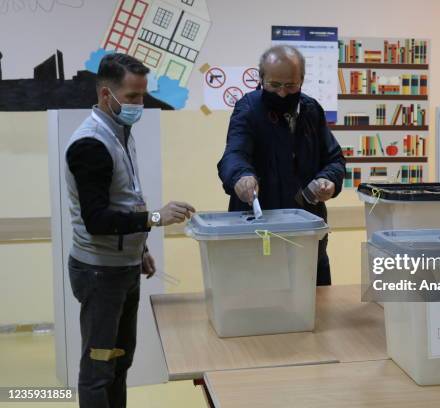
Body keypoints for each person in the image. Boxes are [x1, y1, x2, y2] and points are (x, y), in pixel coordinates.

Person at [65, 53, 195, 408]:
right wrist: (155, 218)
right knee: (98, 369)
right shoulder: (90, 143)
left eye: (143, 95)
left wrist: (140, 249)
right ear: (107, 95)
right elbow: (97, 220)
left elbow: (124, 200)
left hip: (122, 265)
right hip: (99, 272)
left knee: (119, 361)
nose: (141, 104)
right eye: (133, 96)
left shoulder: (120, 131)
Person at [217, 45, 346, 286]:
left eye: (290, 86)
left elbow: (334, 159)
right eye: (274, 85)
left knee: (317, 312)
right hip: (260, 235)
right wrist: (241, 177)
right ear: (261, 78)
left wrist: (329, 180)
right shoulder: (248, 109)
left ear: (302, 80)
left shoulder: (311, 110)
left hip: (308, 237)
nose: (283, 94)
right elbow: (234, 154)